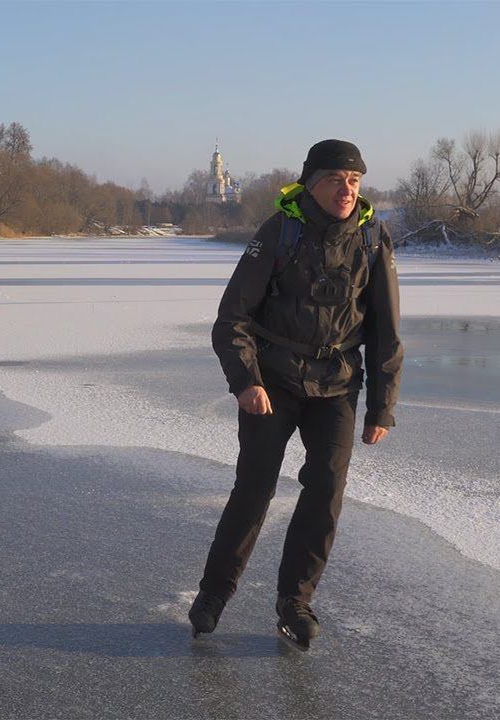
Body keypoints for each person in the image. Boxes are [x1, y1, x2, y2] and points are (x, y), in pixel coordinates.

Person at [190, 139, 404, 649]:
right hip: (274, 382)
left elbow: (385, 330)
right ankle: (214, 593)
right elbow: (232, 321)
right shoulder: (279, 233)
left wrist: (382, 407)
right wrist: (247, 382)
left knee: (326, 492)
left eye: (354, 181)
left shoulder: (373, 238)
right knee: (255, 488)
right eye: (335, 180)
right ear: (311, 183)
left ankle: (295, 602)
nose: (346, 190)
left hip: (336, 386)